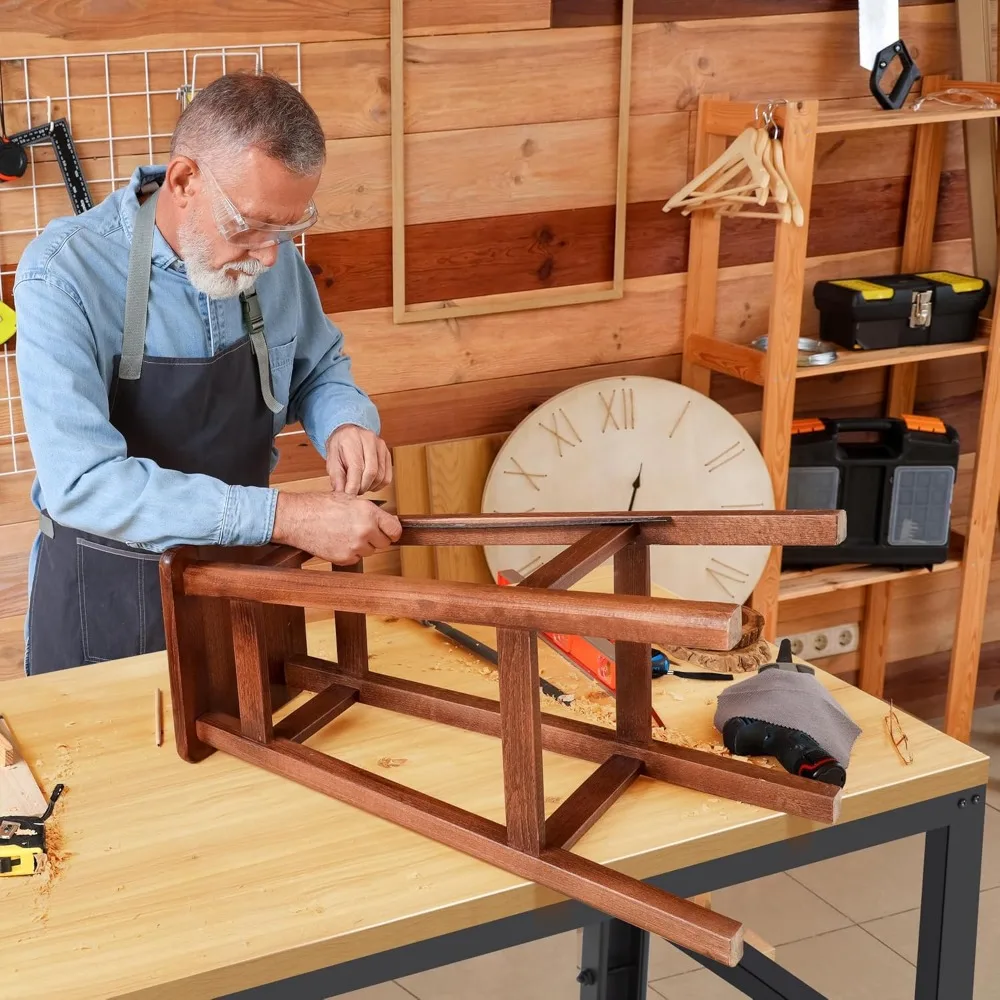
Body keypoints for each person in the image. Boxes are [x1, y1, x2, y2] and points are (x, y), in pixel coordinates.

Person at [12, 71, 401, 675]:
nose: (271, 254)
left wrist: (345, 420)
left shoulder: (270, 256)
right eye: (249, 224)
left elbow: (318, 366)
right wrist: (285, 518)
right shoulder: (63, 273)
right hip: (106, 602)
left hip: (242, 584)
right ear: (185, 180)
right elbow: (82, 481)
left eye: (288, 227)